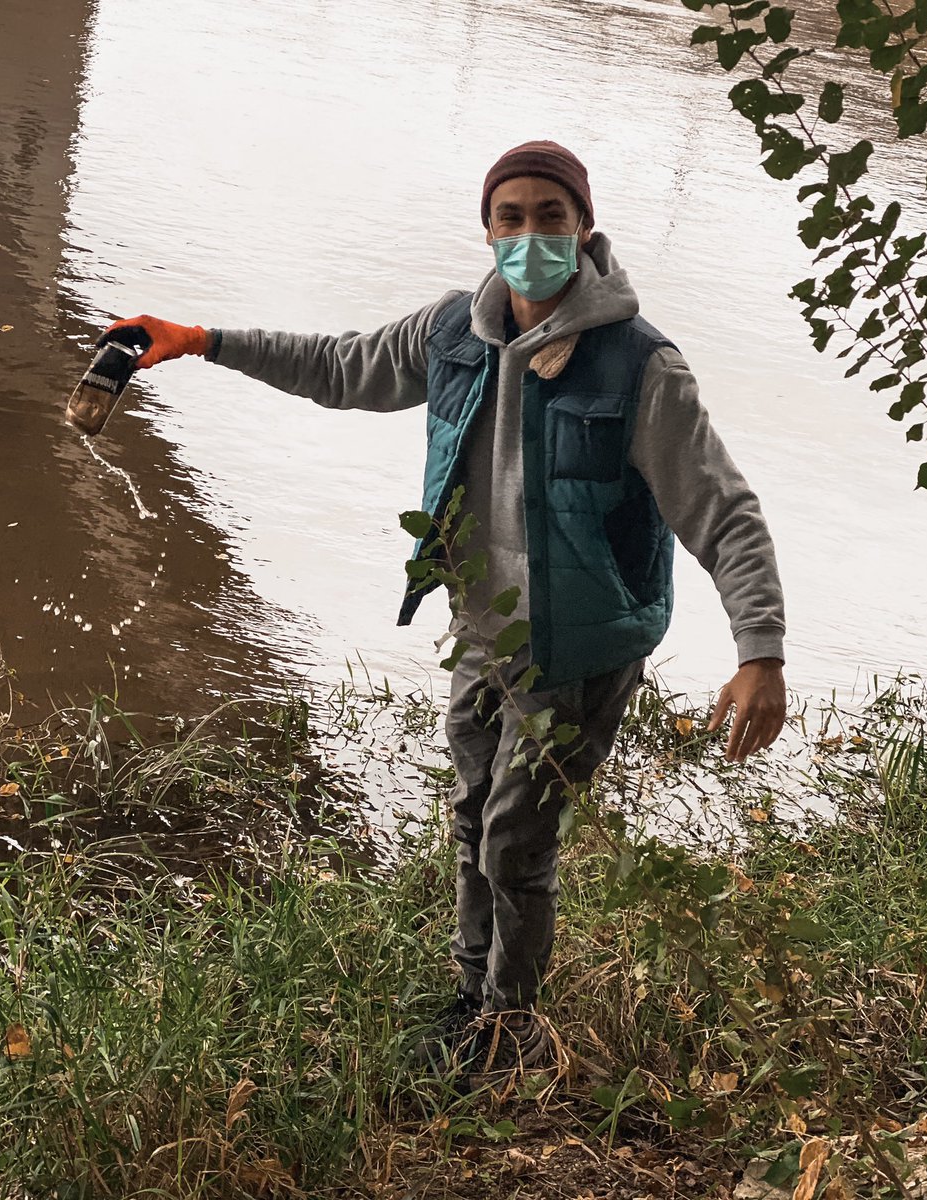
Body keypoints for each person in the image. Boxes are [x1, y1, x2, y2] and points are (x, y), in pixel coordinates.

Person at [100, 139, 787, 1083]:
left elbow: (721, 506)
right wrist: (202, 341)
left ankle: (507, 1029)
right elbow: (338, 367)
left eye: (551, 216)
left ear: (585, 227)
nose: (531, 235)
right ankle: (473, 1001)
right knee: (471, 819)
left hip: (580, 645)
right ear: (489, 231)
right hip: (484, 630)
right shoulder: (454, 333)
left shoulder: (640, 366)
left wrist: (760, 648)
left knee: (514, 840)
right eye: (512, 218)